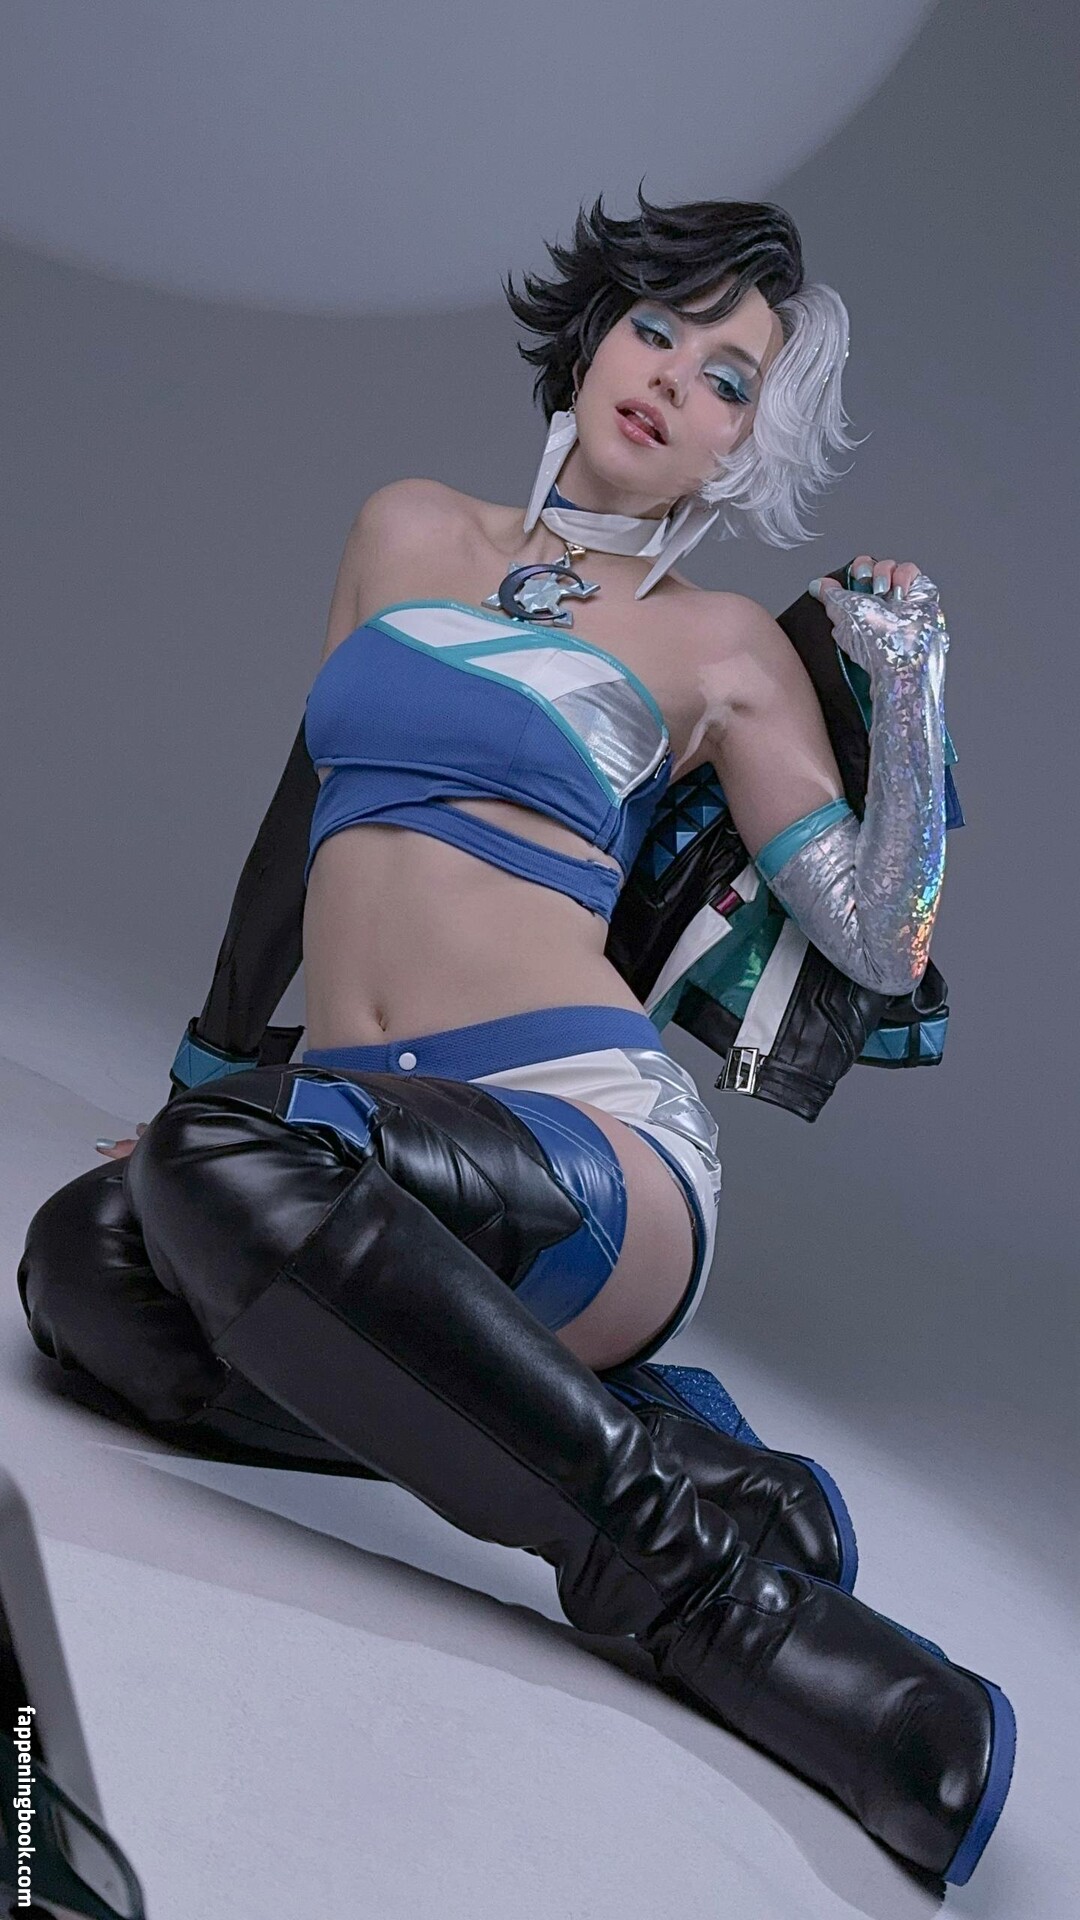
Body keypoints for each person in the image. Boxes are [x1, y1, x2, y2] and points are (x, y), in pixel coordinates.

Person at [17, 189, 1013, 1883]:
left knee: (212, 1194)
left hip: (582, 1141)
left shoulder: (720, 649)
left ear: (746, 446)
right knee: (85, 1276)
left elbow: (883, 939)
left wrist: (909, 686)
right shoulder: (404, 528)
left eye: (728, 380)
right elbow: (301, 826)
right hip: (342, 1129)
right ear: (596, 331)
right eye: (659, 330)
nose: (674, 380)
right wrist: (207, 1084)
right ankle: (680, 1458)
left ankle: (728, 1608)